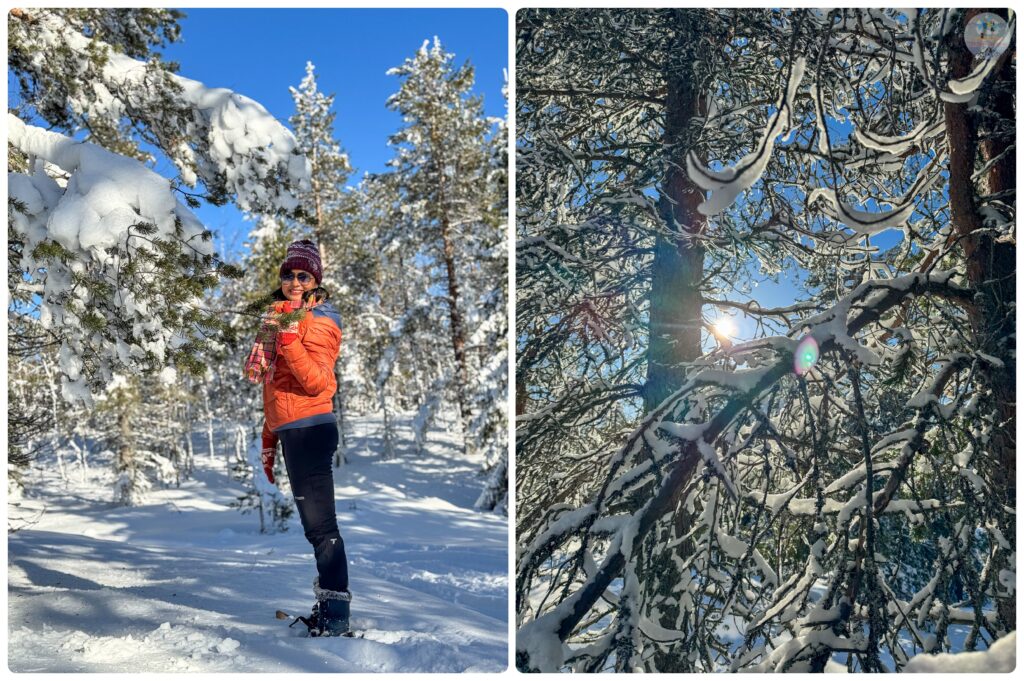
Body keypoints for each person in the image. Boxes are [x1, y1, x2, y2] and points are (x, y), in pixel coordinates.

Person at [244, 239, 351, 636]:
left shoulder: (321, 319)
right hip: (292, 430)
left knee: (321, 528)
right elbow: (277, 388)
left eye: (303, 275)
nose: (294, 281)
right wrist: (269, 439)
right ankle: (330, 607)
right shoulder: (279, 317)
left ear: (315, 280)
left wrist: (290, 343)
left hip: (311, 430)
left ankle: (335, 615)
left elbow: (319, 382)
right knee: (315, 528)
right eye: (288, 274)